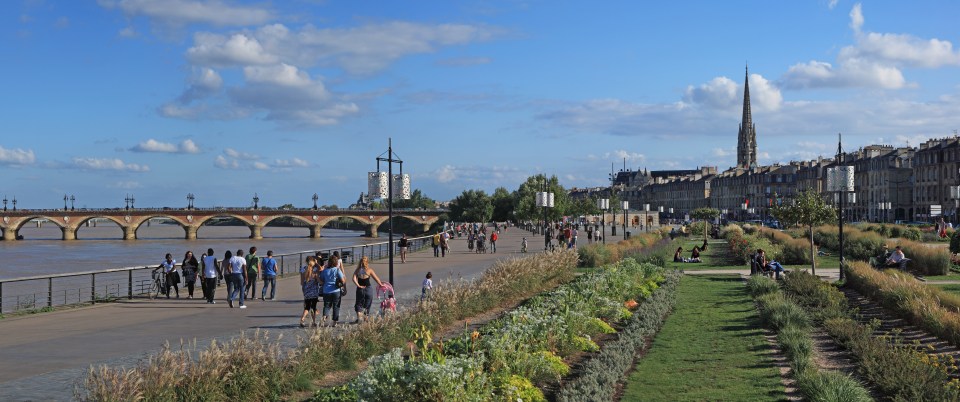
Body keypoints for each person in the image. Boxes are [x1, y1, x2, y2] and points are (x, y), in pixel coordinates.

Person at [352, 256, 383, 323]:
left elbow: (353, 278)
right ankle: (366, 319)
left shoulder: (357, 270)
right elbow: (376, 279)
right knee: (367, 304)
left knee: (358, 304)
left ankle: (359, 318)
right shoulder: (369, 270)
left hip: (360, 289)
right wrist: (381, 284)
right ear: (367, 262)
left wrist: (358, 285)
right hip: (368, 289)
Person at [320, 255, 345, 327]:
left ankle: (324, 317)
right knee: (336, 306)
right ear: (336, 262)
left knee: (327, 306)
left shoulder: (325, 271)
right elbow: (343, 280)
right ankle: (334, 322)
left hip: (326, 291)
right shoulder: (337, 270)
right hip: (336, 290)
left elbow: (321, 279)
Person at [299, 256, 321, 327]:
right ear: (313, 261)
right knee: (313, 307)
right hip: (314, 291)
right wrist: (317, 263)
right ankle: (314, 322)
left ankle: (302, 318)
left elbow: (302, 283)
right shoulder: (314, 269)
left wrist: (304, 291)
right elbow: (318, 280)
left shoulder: (302, 269)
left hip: (306, 291)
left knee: (307, 307)